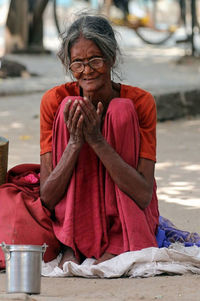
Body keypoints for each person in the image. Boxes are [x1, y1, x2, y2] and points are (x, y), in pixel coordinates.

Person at [39, 13, 159, 269]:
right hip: (73, 222)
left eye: (95, 60)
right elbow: (47, 197)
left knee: (120, 111)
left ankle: (120, 240)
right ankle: (71, 243)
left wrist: (97, 140)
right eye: (77, 63)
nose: (86, 71)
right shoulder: (54, 101)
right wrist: (75, 142)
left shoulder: (141, 103)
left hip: (128, 219)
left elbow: (143, 194)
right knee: (70, 107)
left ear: (111, 58)